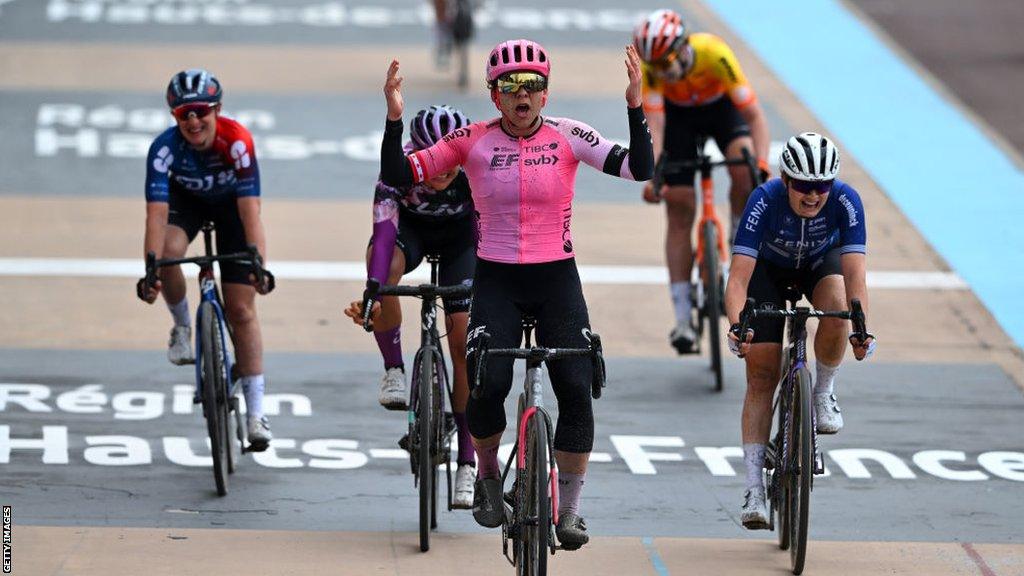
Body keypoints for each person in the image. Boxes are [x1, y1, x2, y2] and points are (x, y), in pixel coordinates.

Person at [375, 40, 654, 549]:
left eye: (532, 85)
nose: (521, 94)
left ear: (545, 95)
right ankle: (484, 476)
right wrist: (395, 120)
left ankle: (569, 510)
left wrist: (635, 105)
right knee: (488, 380)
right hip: (497, 279)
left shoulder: (569, 135)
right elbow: (399, 175)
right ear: (494, 95)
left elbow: (641, 168)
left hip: (556, 280)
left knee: (575, 388)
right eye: (509, 85)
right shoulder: (472, 140)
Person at [724, 132, 875, 529]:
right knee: (761, 374)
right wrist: (738, 326)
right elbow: (738, 280)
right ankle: (754, 488)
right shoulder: (763, 200)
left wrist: (860, 327)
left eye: (822, 186)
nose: (813, 195)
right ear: (786, 181)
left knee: (839, 303)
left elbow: (855, 272)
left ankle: (823, 392)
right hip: (768, 275)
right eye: (805, 187)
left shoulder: (846, 201)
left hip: (818, 266)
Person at [342, 104, 478, 509]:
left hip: (462, 243)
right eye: (431, 160)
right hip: (410, 235)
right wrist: (374, 290)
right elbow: (383, 240)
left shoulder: (477, 169)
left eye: (448, 161)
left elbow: (488, 238)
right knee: (384, 272)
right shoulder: (395, 174)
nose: (441, 170)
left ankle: (468, 462)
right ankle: (394, 371)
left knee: (462, 341)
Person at [137, 69, 274, 451]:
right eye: (184, 114)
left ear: (217, 110)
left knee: (242, 311)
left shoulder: (237, 142)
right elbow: (156, 217)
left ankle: (256, 413)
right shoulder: (163, 150)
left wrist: (258, 263)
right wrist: (151, 269)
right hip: (187, 206)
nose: (194, 121)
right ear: (174, 117)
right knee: (168, 255)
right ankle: (182, 327)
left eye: (201, 111)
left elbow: (251, 213)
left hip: (232, 209)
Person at [632, 8, 771, 353]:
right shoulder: (651, 70)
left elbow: (753, 116)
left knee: (745, 168)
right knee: (679, 208)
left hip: (720, 110)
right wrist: (655, 175)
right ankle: (682, 320)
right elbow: (657, 128)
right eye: (656, 66)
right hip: (678, 120)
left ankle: (741, 235)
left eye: (667, 62)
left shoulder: (714, 53)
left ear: (683, 46)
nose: (662, 70)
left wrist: (763, 165)